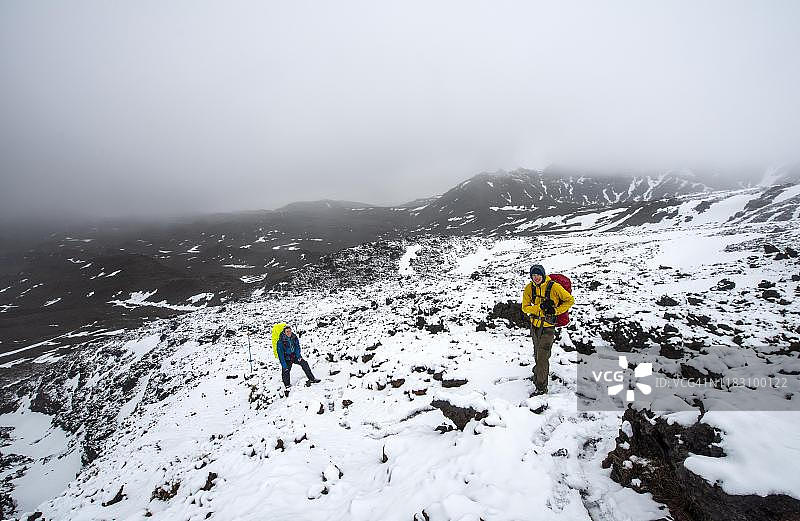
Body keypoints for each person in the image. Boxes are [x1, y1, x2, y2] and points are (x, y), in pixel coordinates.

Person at [521, 264, 574, 395]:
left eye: (538, 275)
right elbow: (525, 307)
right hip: (534, 326)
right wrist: (540, 307)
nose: (536, 278)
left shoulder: (554, 287)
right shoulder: (529, 288)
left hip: (548, 327)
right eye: (533, 275)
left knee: (543, 356)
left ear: (543, 274)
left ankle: (541, 387)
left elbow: (570, 300)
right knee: (537, 353)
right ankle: (538, 373)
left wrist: (555, 310)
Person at [277, 325, 320, 393]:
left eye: (290, 331)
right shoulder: (280, 342)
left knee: (304, 363)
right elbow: (280, 355)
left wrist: (299, 356)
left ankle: (312, 379)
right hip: (286, 358)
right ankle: (287, 385)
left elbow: (297, 347)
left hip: (294, 356)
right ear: (284, 332)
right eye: (287, 331)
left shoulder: (294, 337)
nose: (289, 333)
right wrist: (284, 365)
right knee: (286, 370)